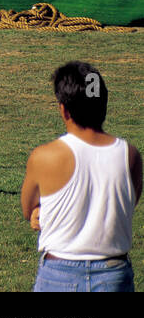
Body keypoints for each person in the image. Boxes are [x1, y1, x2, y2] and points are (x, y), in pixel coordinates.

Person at [21, 61, 140, 292]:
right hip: (113, 274)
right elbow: (126, 205)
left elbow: (29, 210)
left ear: (64, 110)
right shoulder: (130, 156)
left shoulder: (44, 156)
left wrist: (40, 213)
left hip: (58, 274)